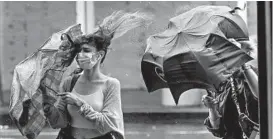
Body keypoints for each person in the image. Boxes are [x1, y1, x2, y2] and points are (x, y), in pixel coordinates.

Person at [42, 11, 152, 139]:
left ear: (99, 55)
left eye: (86, 50)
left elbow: (108, 124)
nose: (80, 55)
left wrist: (80, 104)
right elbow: (59, 123)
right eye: (79, 51)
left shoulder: (110, 84)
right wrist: (49, 108)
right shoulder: (69, 82)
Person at [202, 39, 259, 139]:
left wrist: (242, 64)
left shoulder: (256, 75)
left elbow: (262, 95)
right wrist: (212, 108)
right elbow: (218, 129)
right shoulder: (218, 85)